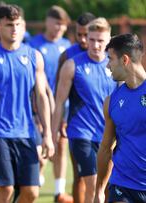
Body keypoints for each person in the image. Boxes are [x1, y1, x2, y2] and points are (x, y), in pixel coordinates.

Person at [0, 4, 54, 203]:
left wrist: (47, 134)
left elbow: (42, 96)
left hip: (27, 133)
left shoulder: (34, 57)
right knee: (6, 190)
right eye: (9, 25)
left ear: (24, 25)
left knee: (32, 192)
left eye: (18, 24)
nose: (15, 29)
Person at [52, 18, 117, 203]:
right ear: (86, 38)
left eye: (101, 40)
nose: (96, 45)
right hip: (81, 134)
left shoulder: (115, 68)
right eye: (92, 39)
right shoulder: (72, 65)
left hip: (108, 137)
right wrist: (52, 135)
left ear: (109, 40)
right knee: (93, 183)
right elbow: (59, 104)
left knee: (105, 188)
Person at [94, 33, 146, 203]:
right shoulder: (111, 101)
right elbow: (105, 148)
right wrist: (99, 190)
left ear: (125, 60)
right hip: (121, 185)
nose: (107, 65)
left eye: (110, 59)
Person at [29, 6, 71, 199]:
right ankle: (36, 173)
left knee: (61, 144)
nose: (59, 29)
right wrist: (35, 106)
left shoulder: (66, 45)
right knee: (40, 149)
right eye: (56, 24)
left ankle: (59, 190)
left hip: (63, 105)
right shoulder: (34, 44)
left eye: (62, 26)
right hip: (39, 104)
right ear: (47, 22)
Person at [54, 12, 96, 203]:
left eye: (86, 34)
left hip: (105, 126)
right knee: (81, 175)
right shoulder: (68, 56)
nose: (83, 39)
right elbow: (59, 95)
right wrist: (61, 119)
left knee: (108, 178)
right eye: (79, 34)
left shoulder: (109, 55)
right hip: (78, 126)